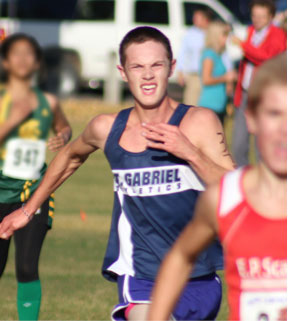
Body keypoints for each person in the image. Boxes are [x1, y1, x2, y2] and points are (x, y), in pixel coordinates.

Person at [0, 27, 234, 321]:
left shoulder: (199, 122)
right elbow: (71, 157)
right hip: (141, 277)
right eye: (137, 66)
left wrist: (190, 153)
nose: (147, 75)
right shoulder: (107, 128)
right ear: (123, 72)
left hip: (199, 277)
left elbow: (238, 189)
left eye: (156, 65)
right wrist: (28, 209)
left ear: (171, 67)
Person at [147, 53, 287, 321]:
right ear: (252, 119)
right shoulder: (225, 198)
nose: (284, 130)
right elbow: (180, 257)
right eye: (274, 114)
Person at [0, 33, 72, 320]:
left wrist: (63, 136)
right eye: (15, 53)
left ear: (37, 62)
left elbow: (63, 125)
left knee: (27, 266)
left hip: (34, 190)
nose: (22, 59)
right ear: (5, 61)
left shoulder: (48, 101)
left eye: (29, 53)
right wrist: (15, 119)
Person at [231, 0, 286, 166]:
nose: (257, 19)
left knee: (262, 142)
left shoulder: (278, 34)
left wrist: (244, 46)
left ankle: (266, 178)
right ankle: (242, 178)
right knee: (238, 143)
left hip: (264, 94)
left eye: (262, 16)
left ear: (270, 17)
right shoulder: (249, 31)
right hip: (245, 92)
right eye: (254, 15)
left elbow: (269, 58)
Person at [177, 7, 233, 106]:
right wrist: (180, 71)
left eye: (197, 18)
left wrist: (229, 78)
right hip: (195, 76)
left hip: (213, 78)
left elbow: (225, 56)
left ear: (206, 19)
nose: (194, 20)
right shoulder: (190, 33)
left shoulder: (216, 32)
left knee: (207, 108)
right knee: (190, 106)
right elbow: (182, 53)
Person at [198, 21, 237, 124]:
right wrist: (226, 78)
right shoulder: (209, 55)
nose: (226, 38)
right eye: (224, 35)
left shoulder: (220, 54)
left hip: (220, 104)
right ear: (215, 36)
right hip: (210, 105)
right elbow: (206, 80)